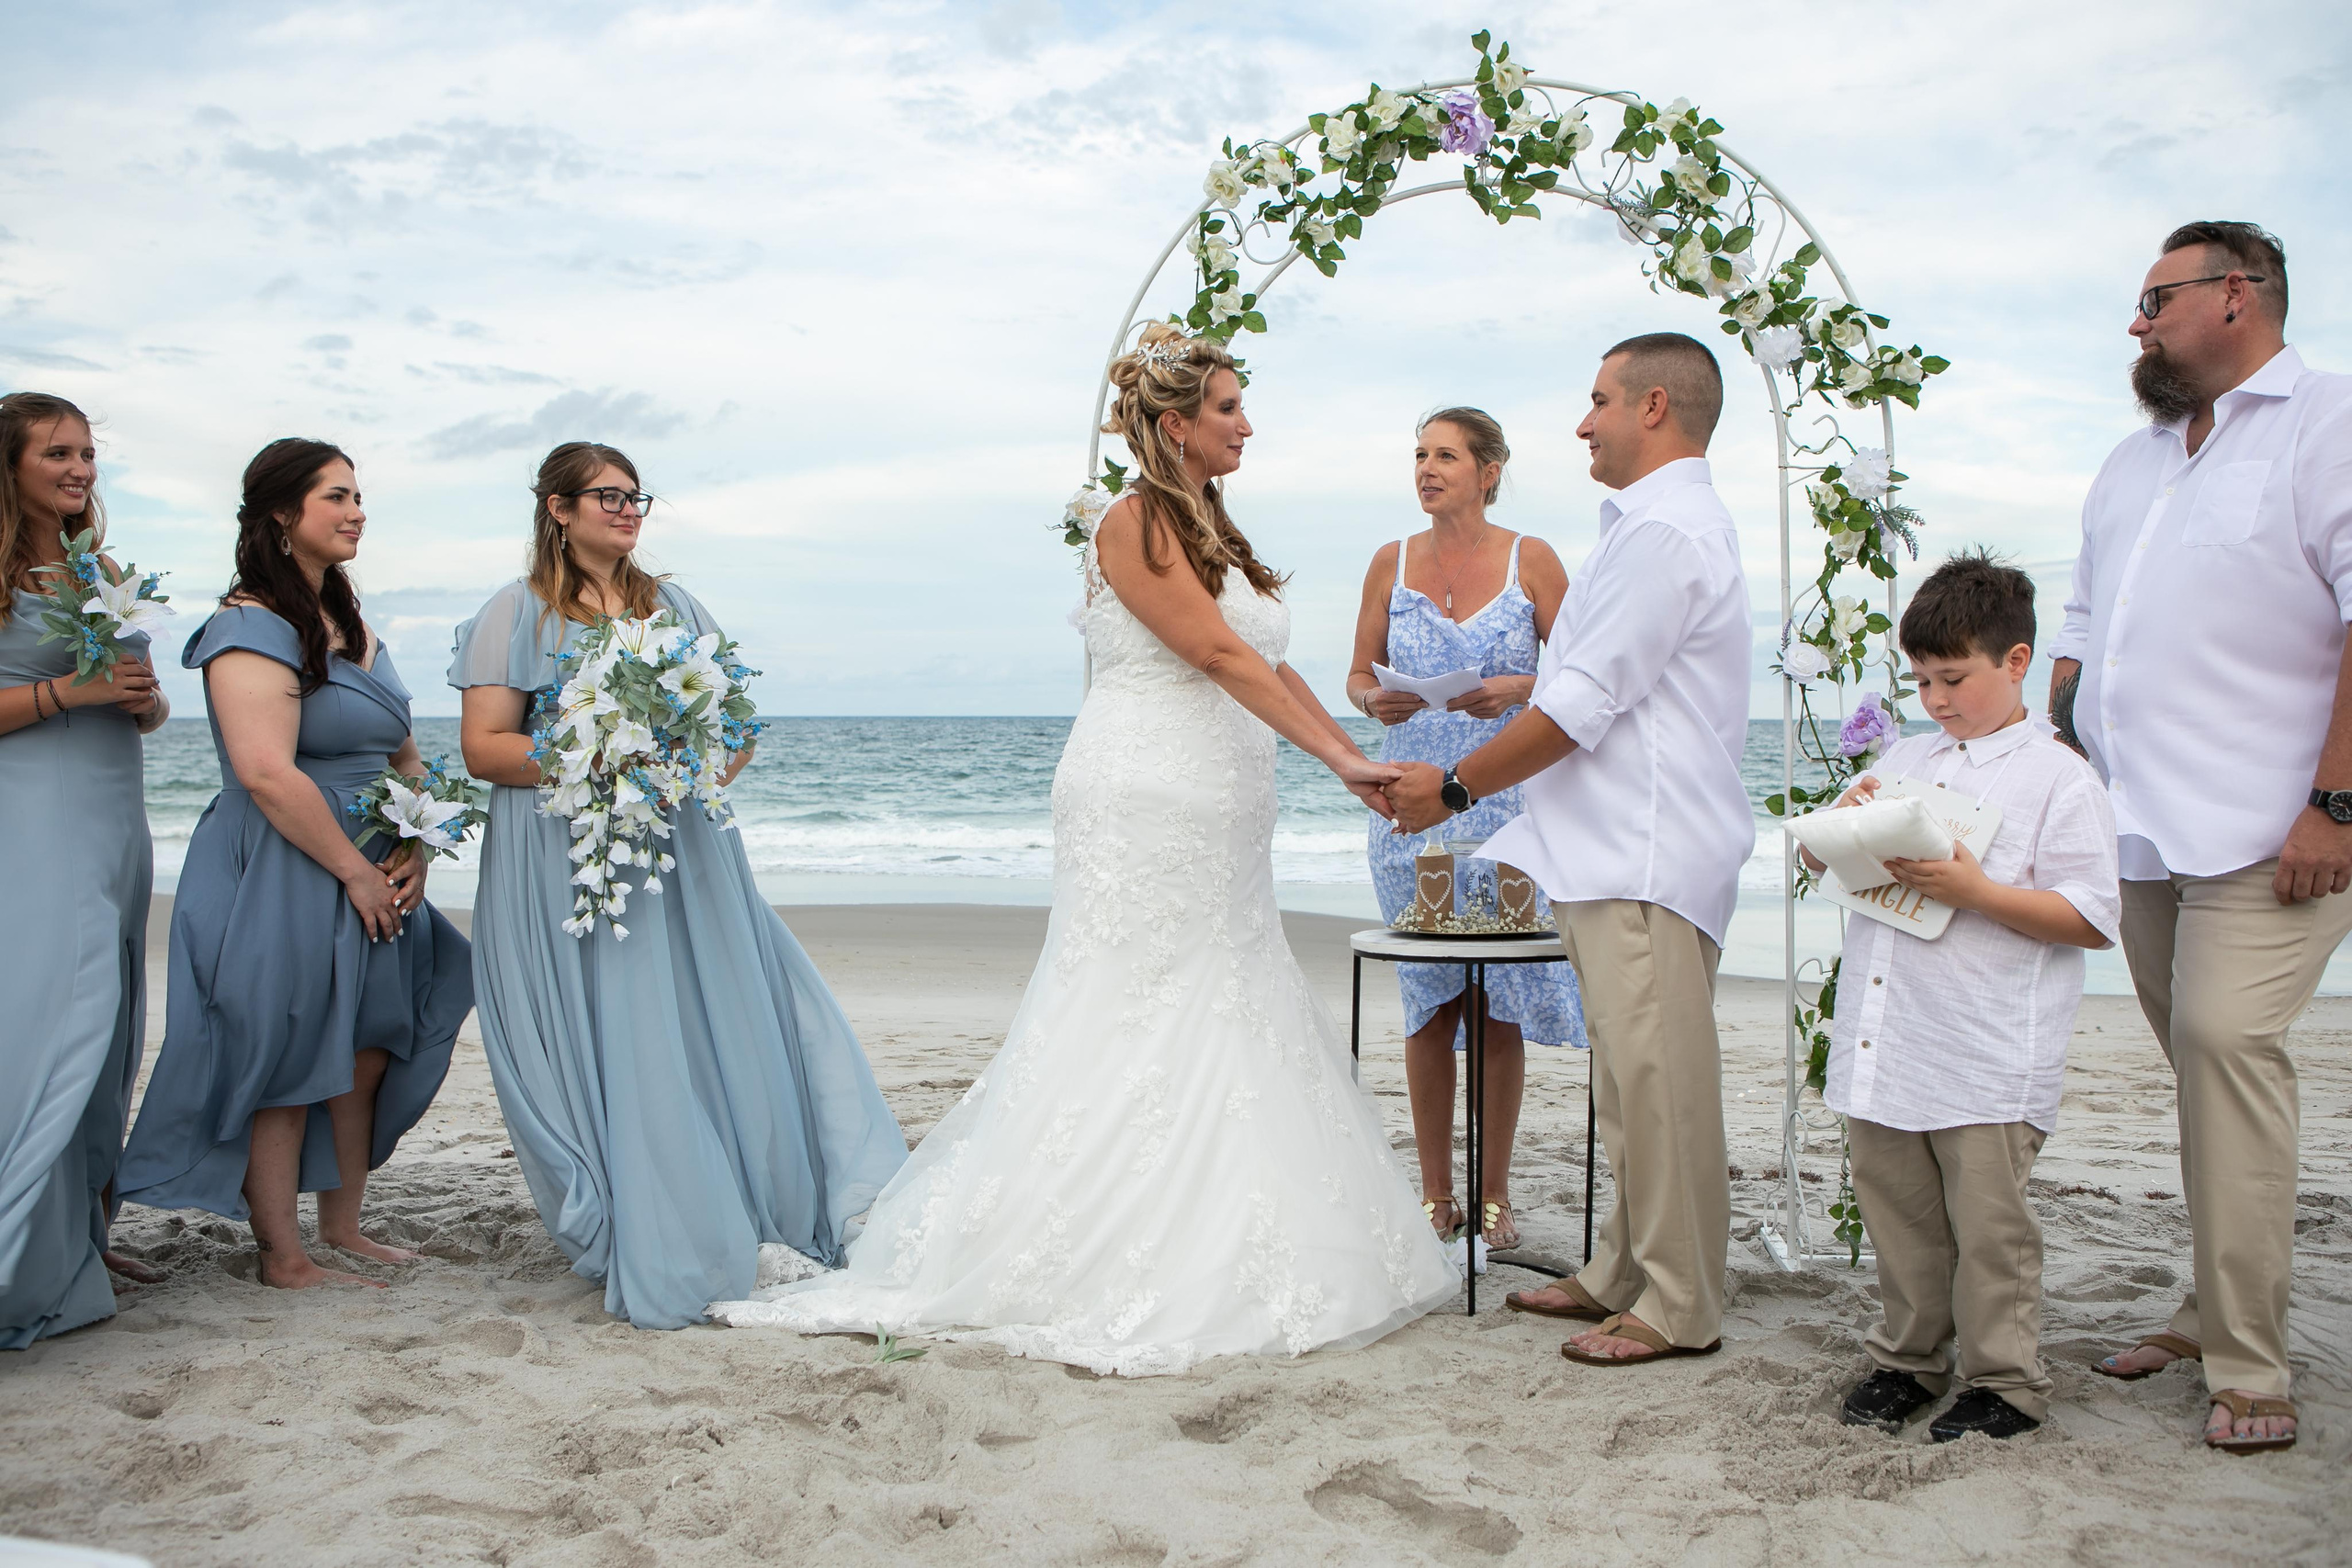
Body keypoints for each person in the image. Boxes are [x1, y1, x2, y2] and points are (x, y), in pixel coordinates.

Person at [709, 324, 1459, 1372]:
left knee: (1226, 986)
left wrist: (1350, 758)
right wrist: (1337, 764)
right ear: (1173, 426)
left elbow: (1266, 662)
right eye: (1228, 407)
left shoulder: (1216, 525)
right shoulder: (1134, 520)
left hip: (1224, 799)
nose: (1247, 423)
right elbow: (1206, 651)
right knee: (1137, 996)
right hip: (1146, 791)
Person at [449, 441, 907, 1331]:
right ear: (557, 508)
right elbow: (484, 748)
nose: (627, 512)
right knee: (624, 1029)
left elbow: (735, 727)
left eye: (636, 498)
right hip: (574, 854)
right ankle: (655, 1211)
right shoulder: (516, 615)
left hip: (681, 848)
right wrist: (601, 756)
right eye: (607, 497)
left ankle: (753, 1202)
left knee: (716, 1016)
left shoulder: (676, 605)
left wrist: (688, 775)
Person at [1388, 332, 1752, 1369]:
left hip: (1645, 849)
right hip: (1605, 849)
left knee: (1662, 1084)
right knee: (1625, 1083)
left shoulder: (1663, 536)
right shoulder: (1646, 527)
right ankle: (1621, 1269)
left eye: (1597, 399)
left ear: (1652, 407)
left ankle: (1679, 1300)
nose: (1582, 420)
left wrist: (1454, 786)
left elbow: (1579, 706)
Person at [2052, 220, 2352, 1455]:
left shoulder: (2328, 422)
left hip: (2274, 833)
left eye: (2157, 298)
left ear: (2239, 295)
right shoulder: (2132, 461)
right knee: (2200, 1070)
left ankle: (2250, 1360)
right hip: (2140, 836)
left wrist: (2336, 803)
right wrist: (2059, 760)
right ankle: (2208, 1300)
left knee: (2226, 1046)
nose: (2138, 322)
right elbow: (2079, 622)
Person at [118, 440, 472, 1289]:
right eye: (337, 496)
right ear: (283, 514)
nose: (356, 511)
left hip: (377, 853)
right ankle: (283, 1254)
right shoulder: (248, 624)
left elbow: (405, 752)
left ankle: (342, 1224)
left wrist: (416, 844)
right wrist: (351, 869)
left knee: (369, 1044)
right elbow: (265, 770)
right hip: (288, 857)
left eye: (359, 496)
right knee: (287, 1042)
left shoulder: (352, 620)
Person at [1800, 552, 2118, 1442]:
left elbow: (2091, 917)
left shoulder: (2058, 777)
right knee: (1899, 1211)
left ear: (2016, 662)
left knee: (1988, 1228)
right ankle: (1907, 1357)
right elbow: (1816, 861)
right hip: (1887, 1033)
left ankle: (2003, 1380)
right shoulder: (1904, 755)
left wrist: (1974, 891)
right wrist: (1834, 830)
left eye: (1953, 678)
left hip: (1983, 1048)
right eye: (1921, 680)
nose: (1936, 698)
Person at [1345, 406, 1582, 1251]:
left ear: (1489, 469)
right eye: (1418, 453)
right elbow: (1354, 678)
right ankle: (1433, 1197)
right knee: (1429, 1000)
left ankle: (1493, 1195)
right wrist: (1380, 698)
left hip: (1508, 807)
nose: (1426, 467)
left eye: (1445, 454)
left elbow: (1581, 673)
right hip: (1407, 805)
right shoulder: (1389, 561)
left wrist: (1514, 686)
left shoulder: (1534, 559)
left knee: (1498, 1000)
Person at [0, 393, 170, 1345]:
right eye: (57, 452)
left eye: (88, 453)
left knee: (109, 1031)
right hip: (33, 818)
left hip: (116, 817)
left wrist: (138, 703)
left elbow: (138, 704)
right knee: (56, 1021)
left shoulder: (92, 568)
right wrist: (73, 690)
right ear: (9, 464)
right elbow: (65, 691)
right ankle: (26, 1245)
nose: (78, 469)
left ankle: (81, 1234)